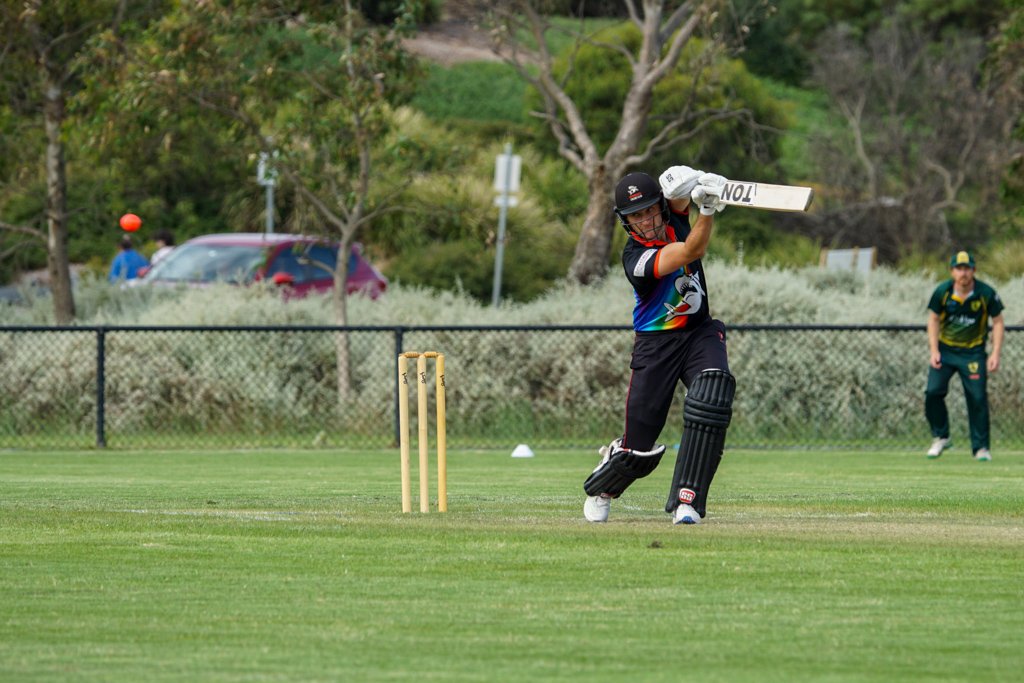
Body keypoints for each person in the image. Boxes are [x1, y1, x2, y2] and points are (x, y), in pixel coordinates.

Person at [583, 166, 735, 525]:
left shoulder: (674, 217)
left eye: (650, 209)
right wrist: (709, 210)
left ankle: (689, 501)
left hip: (699, 333)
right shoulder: (636, 259)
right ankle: (604, 487)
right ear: (627, 223)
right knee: (638, 447)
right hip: (656, 347)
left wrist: (698, 180)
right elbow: (691, 250)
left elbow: (680, 193)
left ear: (660, 207)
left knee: (712, 393)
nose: (646, 220)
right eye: (636, 215)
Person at [924, 250, 1004, 461]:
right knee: (933, 392)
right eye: (959, 269)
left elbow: (998, 322)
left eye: (967, 268)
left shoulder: (986, 293)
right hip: (946, 351)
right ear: (952, 271)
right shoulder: (943, 292)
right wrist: (934, 350)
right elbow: (933, 319)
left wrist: (995, 353)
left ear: (973, 271)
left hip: (973, 353)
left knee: (977, 398)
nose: (963, 273)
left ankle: (981, 448)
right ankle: (941, 436)